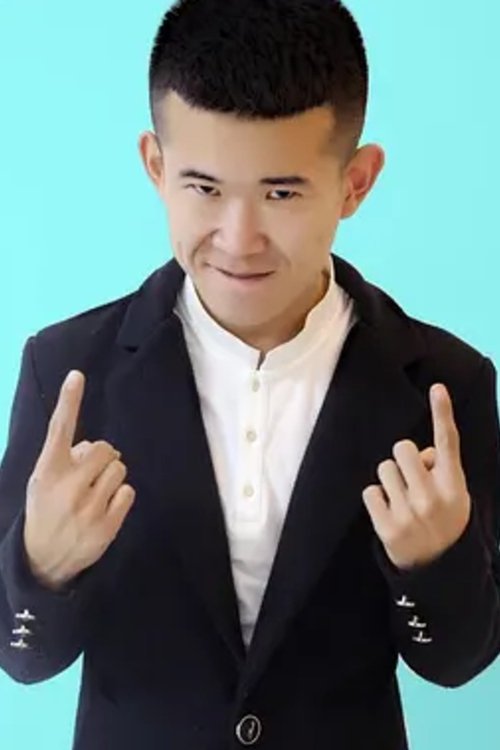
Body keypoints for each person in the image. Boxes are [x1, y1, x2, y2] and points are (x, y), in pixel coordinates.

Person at [1, 0, 500, 748]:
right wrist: (40, 565)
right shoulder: (67, 370)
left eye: (281, 193)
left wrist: (434, 562)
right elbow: (21, 656)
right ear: (156, 166)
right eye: (204, 188)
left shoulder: (444, 385)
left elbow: (458, 662)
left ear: (356, 182)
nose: (238, 240)